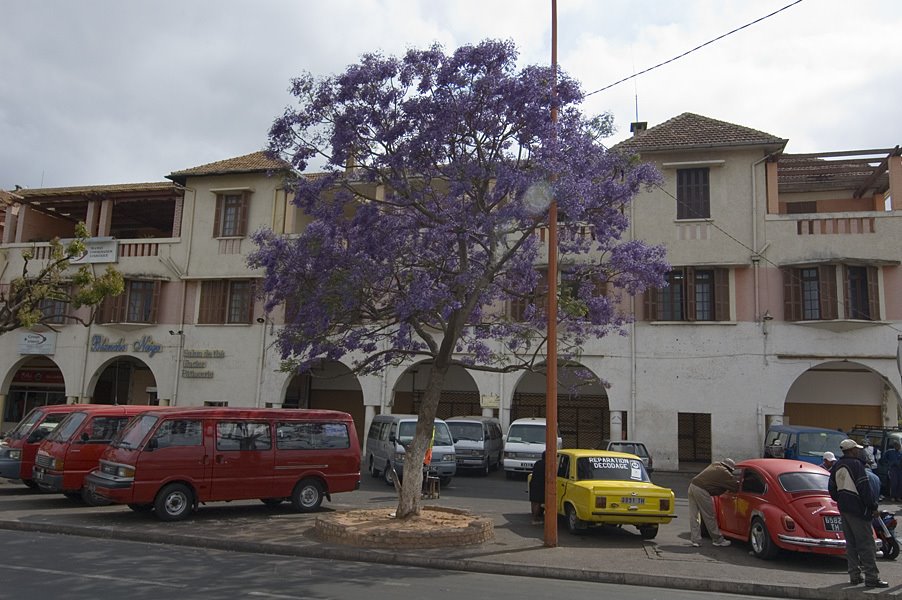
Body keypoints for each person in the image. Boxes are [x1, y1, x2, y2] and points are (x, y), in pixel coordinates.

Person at [828, 439, 888, 588]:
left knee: (851, 544)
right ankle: (871, 577)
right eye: (857, 449)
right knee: (866, 545)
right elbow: (864, 489)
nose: (859, 451)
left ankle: (854, 576)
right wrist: (873, 507)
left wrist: (842, 499)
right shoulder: (856, 465)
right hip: (859, 510)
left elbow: (832, 490)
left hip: (844, 509)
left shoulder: (836, 466)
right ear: (852, 450)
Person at [688, 458, 739, 548]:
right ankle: (717, 539)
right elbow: (735, 486)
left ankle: (695, 540)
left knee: (694, 515)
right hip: (702, 490)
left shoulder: (715, 465)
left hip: (692, 485)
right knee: (709, 515)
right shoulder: (725, 472)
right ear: (729, 468)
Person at [529, 452, 546, 525]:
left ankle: (534, 517)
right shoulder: (546, 464)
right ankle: (535, 519)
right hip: (540, 485)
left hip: (533, 483)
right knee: (538, 503)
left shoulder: (537, 463)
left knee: (534, 501)